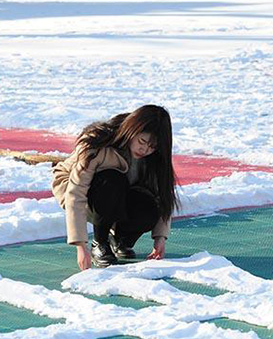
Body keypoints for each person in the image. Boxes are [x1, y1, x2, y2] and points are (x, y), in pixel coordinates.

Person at [52, 104, 178, 270]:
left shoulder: (154, 157)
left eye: (152, 146)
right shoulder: (97, 142)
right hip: (78, 187)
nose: (145, 149)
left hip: (119, 194)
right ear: (131, 130)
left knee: (148, 207)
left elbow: (163, 194)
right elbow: (76, 192)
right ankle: (100, 243)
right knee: (112, 179)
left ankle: (120, 240)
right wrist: (81, 246)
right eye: (142, 141)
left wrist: (160, 238)